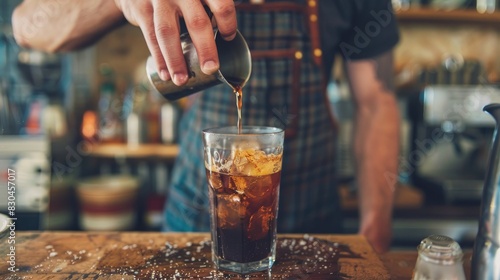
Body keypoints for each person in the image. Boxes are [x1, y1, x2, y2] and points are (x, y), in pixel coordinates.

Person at [12, 0, 401, 253]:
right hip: (195, 221)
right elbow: (27, 26)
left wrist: (375, 232)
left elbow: (376, 104)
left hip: (316, 218)